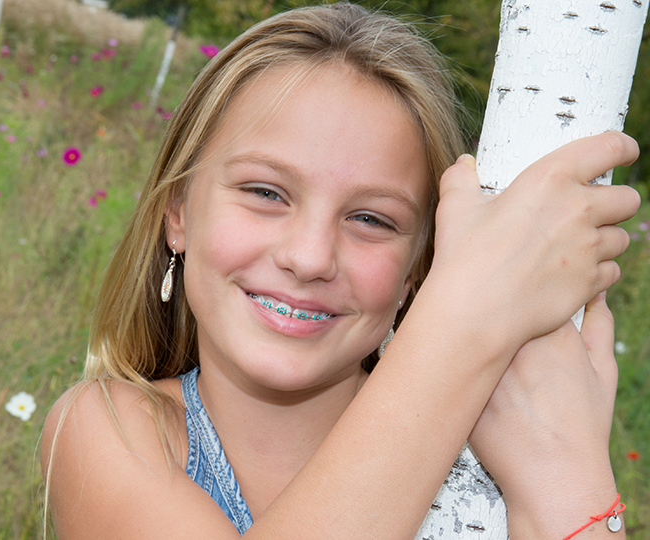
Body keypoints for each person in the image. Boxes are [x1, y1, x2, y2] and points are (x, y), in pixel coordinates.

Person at [41, 3, 640, 539]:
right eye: (266, 192)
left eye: (371, 220)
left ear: (415, 271)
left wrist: (567, 478)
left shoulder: (499, 462)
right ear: (178, 215)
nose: (309, 257)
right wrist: (471, 316)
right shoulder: (108, 433)